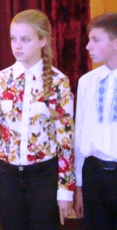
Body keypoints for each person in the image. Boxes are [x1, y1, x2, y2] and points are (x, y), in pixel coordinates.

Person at [0, 9, 74, 229]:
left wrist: (65, 189)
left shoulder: (58, 82)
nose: (17, 46)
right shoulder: (2, 79)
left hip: (43, 177)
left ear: (42, 40)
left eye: (25, 39)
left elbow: (65, 140)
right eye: (13, 39)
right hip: (6, 175)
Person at [73, 12, 117, 229]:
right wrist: (79, 186)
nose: (88, 46)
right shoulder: (87, 82)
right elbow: (80, 133)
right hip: (94, 173)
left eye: (96, 40)